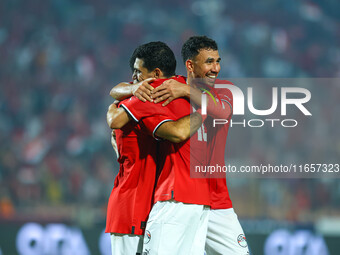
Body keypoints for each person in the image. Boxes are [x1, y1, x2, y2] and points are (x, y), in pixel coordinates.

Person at [111, 36, 249, 254]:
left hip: (217, 201)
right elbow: (122, 96)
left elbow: (221, 111)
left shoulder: (225, 90)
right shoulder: (169, 86)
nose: (216, 68)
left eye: (217, 61)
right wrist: (128, 92)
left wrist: (186, 91)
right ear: (190, 65)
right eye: (209, 62)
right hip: (179, 195)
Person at [105, 41, 202, 255]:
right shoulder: (141, 96)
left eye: (138, 72)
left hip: (155, 205)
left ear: (156, 73)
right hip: (131, 205)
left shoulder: (167, 89)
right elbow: (115, 118)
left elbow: (114, 116)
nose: (134, 78)